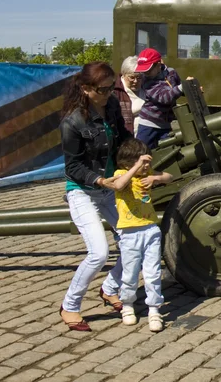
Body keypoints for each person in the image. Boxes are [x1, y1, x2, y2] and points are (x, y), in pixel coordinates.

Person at [59, 62, 133, 331]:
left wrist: (138, 153)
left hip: (109, 188)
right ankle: (69, 306)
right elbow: (73, 167)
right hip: (83, 192)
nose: (109, 93)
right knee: (99, 253)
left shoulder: (111, 105)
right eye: (103, 89)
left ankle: (110, 288)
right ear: (86, 89)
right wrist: (101, 179)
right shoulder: (73, 122)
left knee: (133, 242)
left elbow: (123, 136)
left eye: (111, 87)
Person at [111, 138, 173, 332]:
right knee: (130, 272)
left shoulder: (148, 175)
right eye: (142, 162)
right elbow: (119, 185)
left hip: (150, 229)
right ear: (128, 162)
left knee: (152, 272)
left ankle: (154, 309)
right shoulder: (121, 174)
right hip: (129, 232)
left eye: (147, 162)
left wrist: (156, 178)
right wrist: (136, 166)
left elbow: (169, 177)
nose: (146, 166)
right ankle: (127, 305)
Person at [135, 48, 190, 149]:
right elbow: (164, 98)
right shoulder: (147, 82)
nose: (145, 73)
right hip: (149, 124)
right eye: (143, 70)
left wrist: (189, 89)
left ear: (158, 64)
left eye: (148, 70)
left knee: (167, 151)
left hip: (166, 124)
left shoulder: (171, 73)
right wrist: (183, 87)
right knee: (141, 151)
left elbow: (177, 88)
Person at [113, 56, 145, 135]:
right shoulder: (115, 92)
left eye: (139, 77)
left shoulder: (146, 86)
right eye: (132, 77)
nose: (136, 81)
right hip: (128, 138)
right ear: (123, 75)